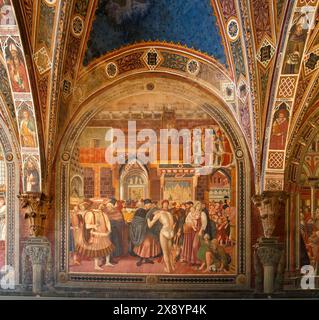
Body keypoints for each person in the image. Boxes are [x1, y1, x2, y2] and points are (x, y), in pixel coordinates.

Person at [77, 202, 115, 270]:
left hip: (104, 234)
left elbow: (107, 222)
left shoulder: (103, 214)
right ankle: (96, 265)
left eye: (102, 205)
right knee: (96, 250)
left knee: (108, 249)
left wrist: (109, 230)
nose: (102, 206)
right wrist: (94, 226)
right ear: (96, 205)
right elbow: (87, 225)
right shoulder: (90, 214)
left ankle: (107, 262)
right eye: (101, 205)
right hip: (96, 235)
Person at [130, 199, 161, 266]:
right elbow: (137, 220)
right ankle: (141, 259)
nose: (148, 206)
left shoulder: (152, 211)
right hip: (142, 231)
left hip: (149, 231)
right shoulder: (141, 210)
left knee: (150, 244)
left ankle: (147, 258)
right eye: (147, 205)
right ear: (144, 205)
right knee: (145, 244)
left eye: (149, 205)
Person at [147, 208, 175, 273]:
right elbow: (172, 225)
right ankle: (172, 267)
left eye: (153, 214)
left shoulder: (158, 214)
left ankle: (168, 269)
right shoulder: (169, 213)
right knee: (170, 252)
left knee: (165, 252)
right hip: (171, 233)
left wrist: (148, 218)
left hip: (164, 232)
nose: (153, 216)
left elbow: (149, 225)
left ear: (155, 212)